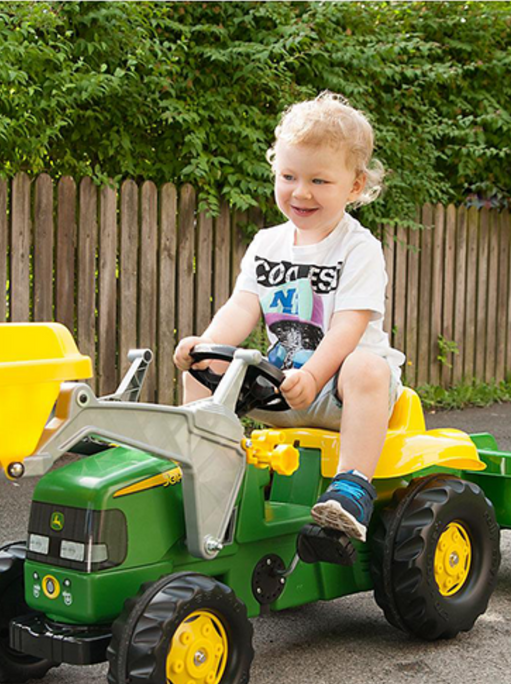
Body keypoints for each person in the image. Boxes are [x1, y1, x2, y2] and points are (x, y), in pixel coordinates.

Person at [173, 91, 405, 543]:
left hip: (341, 394)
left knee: (365, 366)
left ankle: (352, 487)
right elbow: (242, 307)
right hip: (286, 388)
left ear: (355, 186)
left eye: (320, 181)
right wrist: (205, 345)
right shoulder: (266, 243)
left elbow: (348, 326)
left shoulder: (358, 248)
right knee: (202, 368)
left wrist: (317, 375)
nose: (301, 192)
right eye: (289, 176)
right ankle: (196, 468)